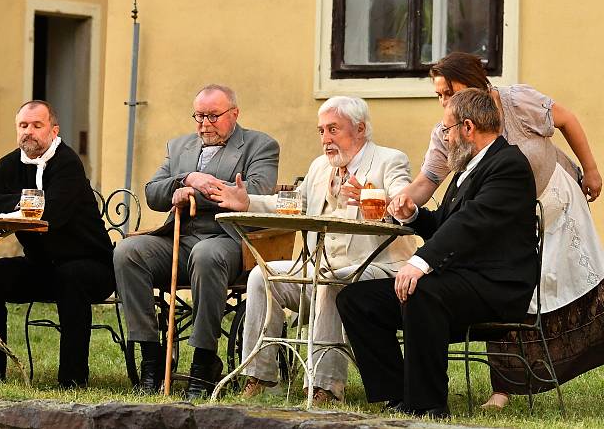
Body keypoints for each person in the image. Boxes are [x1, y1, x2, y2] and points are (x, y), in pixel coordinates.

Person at [390, 52, 604, 409]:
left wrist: (592, 170)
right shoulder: (449, 128)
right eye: (439, 95)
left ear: (474, 81)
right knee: (500, 284)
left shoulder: (516, 101)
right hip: (501, 224)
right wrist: (397, 204)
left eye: (448, 91)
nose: (444, 100)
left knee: (575, 288)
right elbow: (427, 181)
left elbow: (566, 120)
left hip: (555, 203)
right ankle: (503, 389)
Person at [339, 88, 540, 419]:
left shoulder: (509, 165)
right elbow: (448, 225)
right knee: (356, 300)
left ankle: (428, 404)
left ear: (467, 127)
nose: (443, 138)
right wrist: (413, 215)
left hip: (497, 287)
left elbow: (471, 224)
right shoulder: (467, 168)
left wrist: (419, 263)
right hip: (461, 281)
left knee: (422, 292)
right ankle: (397, 394)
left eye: (446, 130)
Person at [210, 96, 416, 406]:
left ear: (360, 129)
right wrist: (248, 202)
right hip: (318, 266)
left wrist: (371, 197)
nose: (325, 139)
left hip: (374, 270)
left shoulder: (390, 160)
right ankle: (261, 376)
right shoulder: (320, 167)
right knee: (262, 276)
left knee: (330, 283)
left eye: (333, 129)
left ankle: (325, 387)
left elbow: (405, 204)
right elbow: (296, 205)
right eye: (321, 131)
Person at [114, 84, 279, 398]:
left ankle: (204, 362)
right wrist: (185, 179)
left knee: (206, 254)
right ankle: (151, 356)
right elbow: (153, 192)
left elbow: (256, 192)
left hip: (230, 238)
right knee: (126, 252)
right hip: (179, 237)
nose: (205, 124)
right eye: (199, 116)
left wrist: (197, 189)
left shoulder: (260, 145)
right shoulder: (179, 147)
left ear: (234, 114)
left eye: (213, 116)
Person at [0, 100, 114, 388]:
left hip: (92, 265)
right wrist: (30, 201)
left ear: (53, 130)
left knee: (70, 277)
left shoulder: (67, 162)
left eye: (37, 125)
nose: (29, 132)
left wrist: (17, 204)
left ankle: (72, 380)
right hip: (42, 266)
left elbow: (53, 215)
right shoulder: (10, 163)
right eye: (23, 126)